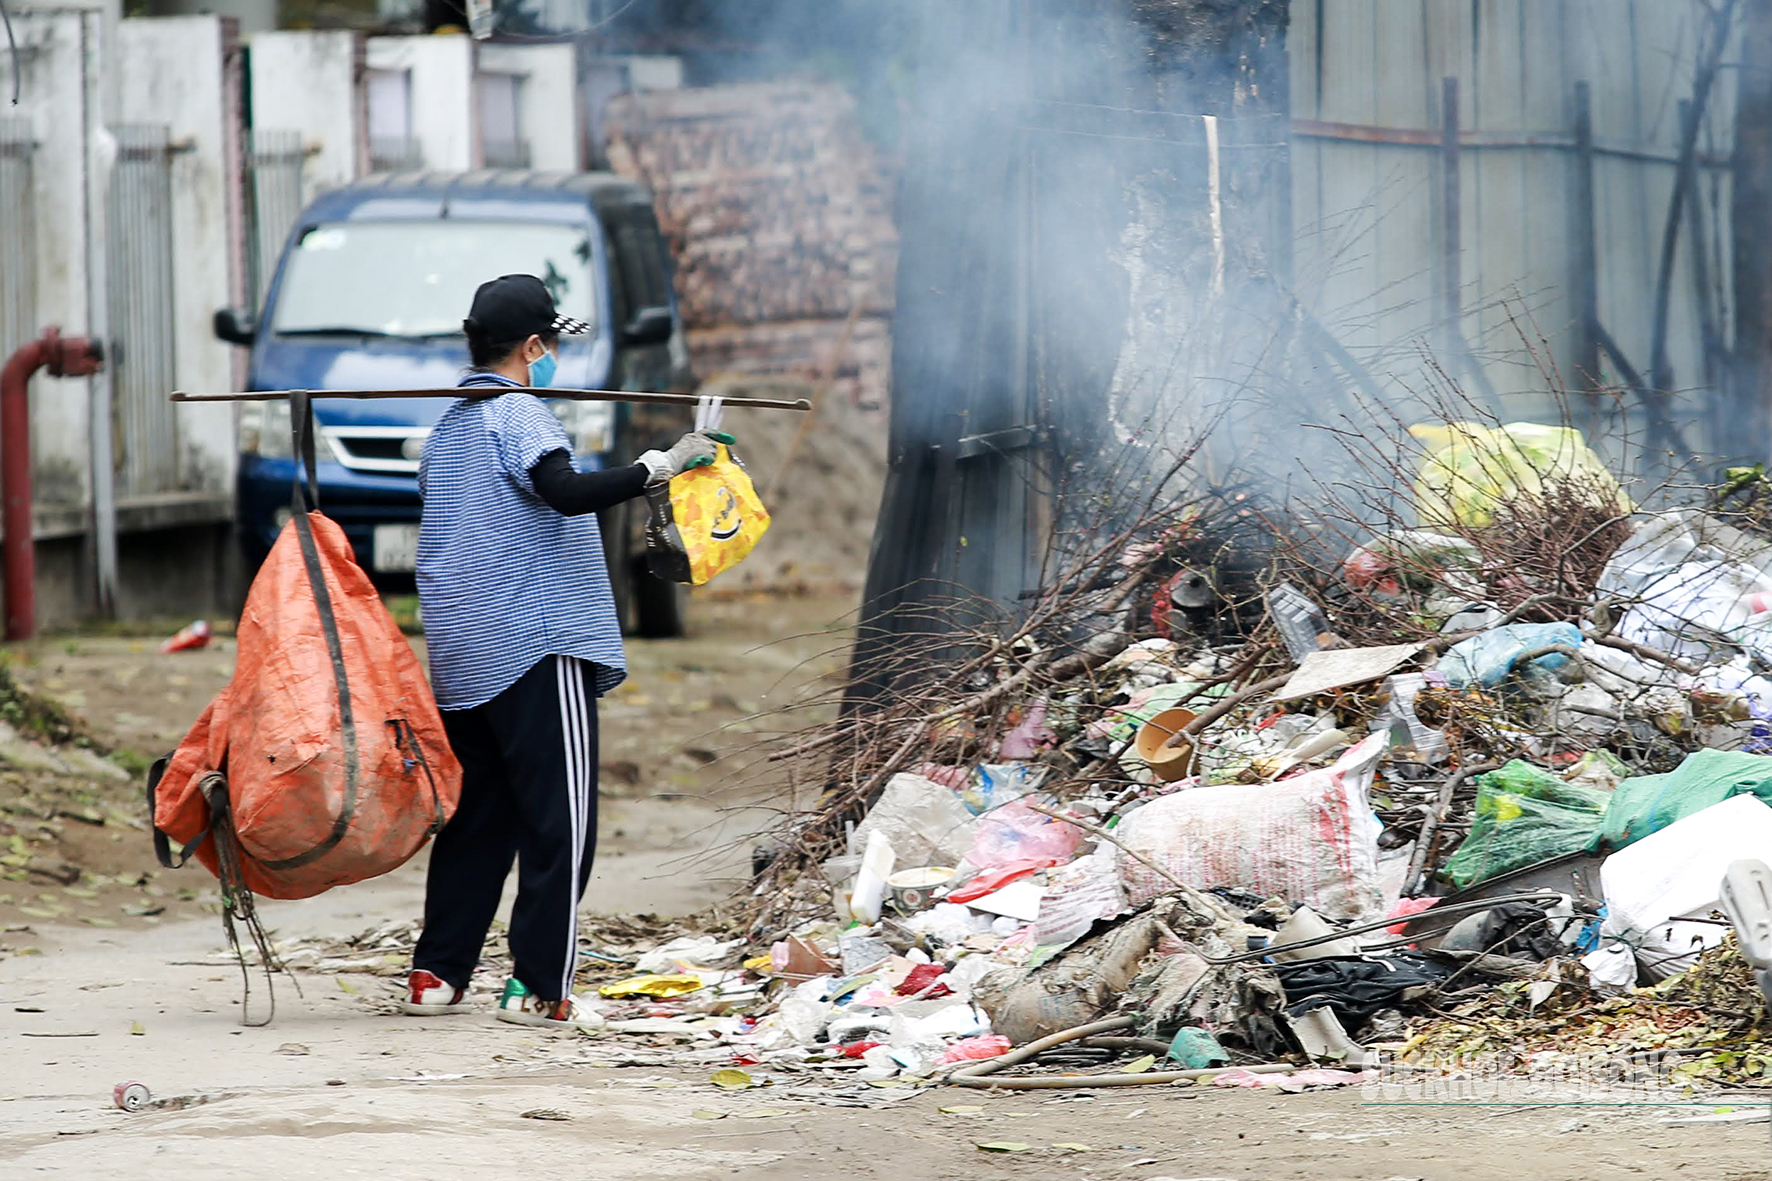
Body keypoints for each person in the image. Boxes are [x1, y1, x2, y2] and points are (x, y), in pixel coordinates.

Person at [400, 274, 718, 1028]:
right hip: (535, 642)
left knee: (478, 819)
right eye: (549, 347)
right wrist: (657, 468)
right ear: (534, 346)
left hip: (462, 651)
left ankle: (436, 974)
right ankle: (538, 985)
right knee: (560, 821)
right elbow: (564, 492)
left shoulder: (447, 429)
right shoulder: (517, 413)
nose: (550, 361)